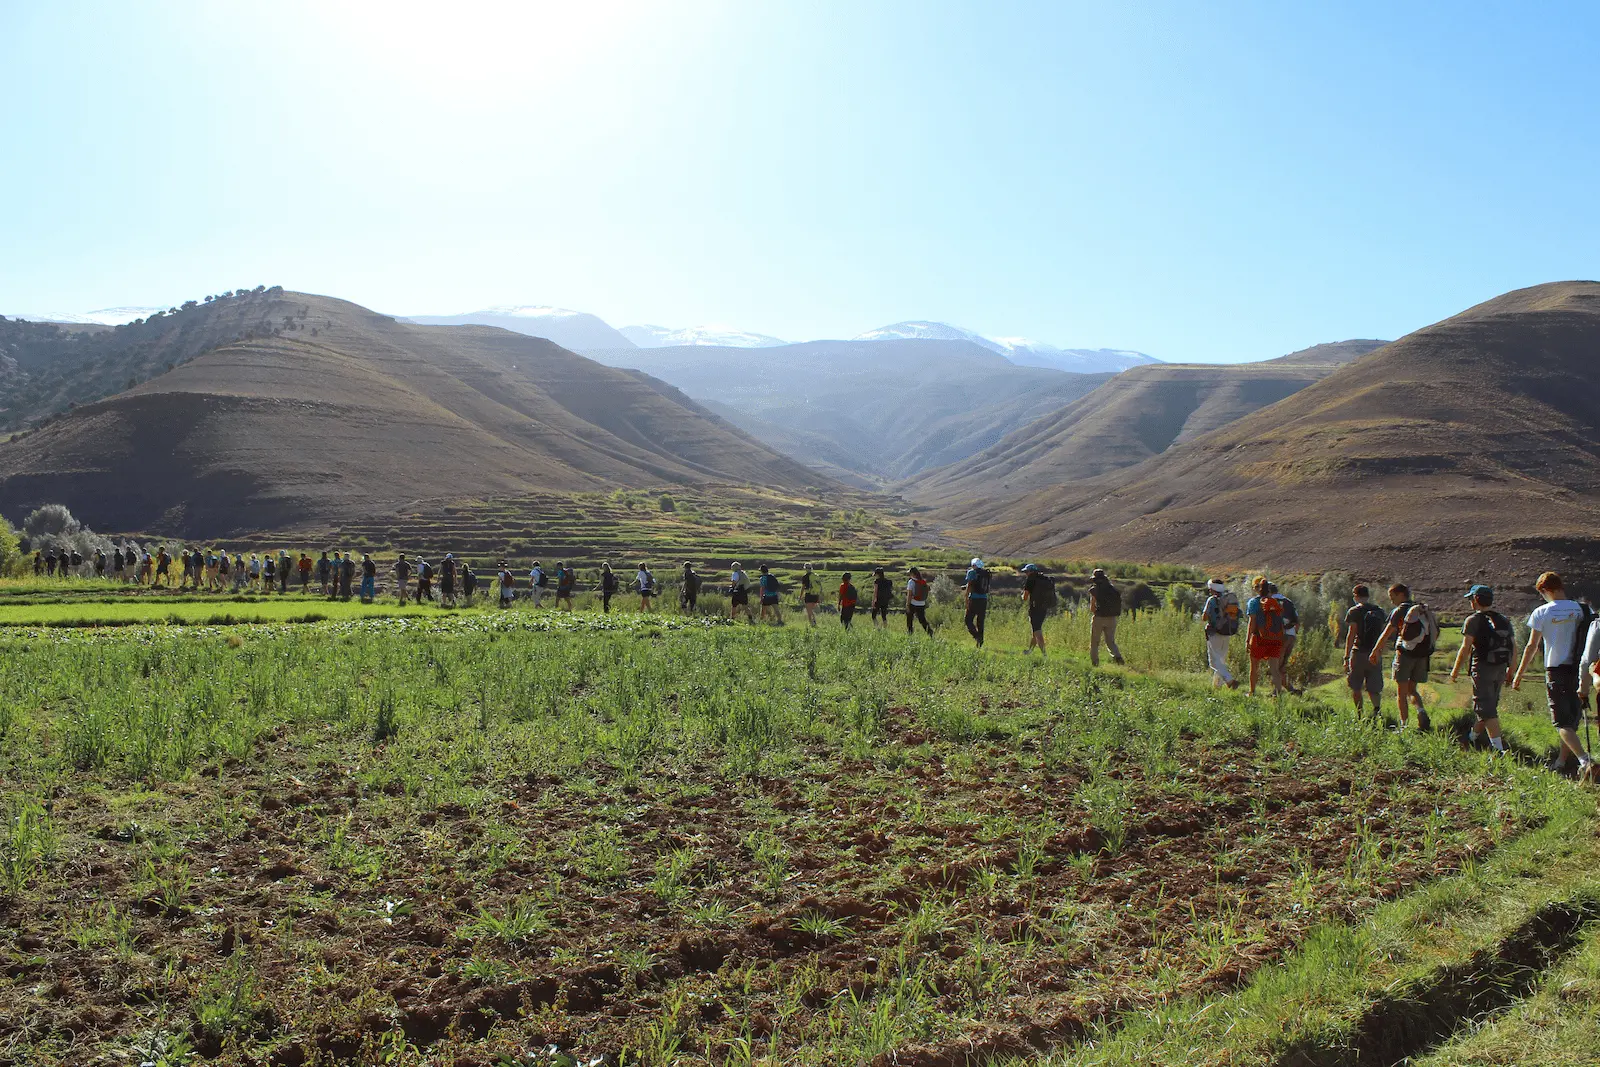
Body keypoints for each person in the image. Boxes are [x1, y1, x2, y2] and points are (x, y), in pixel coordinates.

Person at [1513, 571, 1596, 778]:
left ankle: (1586, 761)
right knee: (1571, 721)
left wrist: (1518, 674)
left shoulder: (1541, 612)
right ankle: (1561, 761)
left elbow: (1531, 646)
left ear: (1544, 590)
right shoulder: (1582, 609)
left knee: (1561, 722)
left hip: (1555, 670)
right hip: (1579, 670)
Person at [1450, 585, 1512, 755]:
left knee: (1486, 708)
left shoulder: (1473, 620)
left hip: (1482, 668)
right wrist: (1511, 672)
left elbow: (1465, 648)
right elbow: (1514, 648)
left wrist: (1455, 671)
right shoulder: (1504, 620)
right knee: (1487, 706)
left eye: (1471, 599)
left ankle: (1499, 750)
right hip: (1500, 668)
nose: (1470, 602)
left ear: (1476, 600)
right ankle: (1472, 738)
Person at [1367, 583, 1434, 730]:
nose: (1391, 601)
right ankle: (1421, 711)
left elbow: (1387, 633)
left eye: (1392, 597)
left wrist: (1376, 650)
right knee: (1412, 689)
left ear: (1400, 595)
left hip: (1404, 654)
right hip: (1422, 655)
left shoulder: (1399, 611)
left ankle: (1403, 726)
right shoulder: (1421, 609)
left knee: (1401, 692)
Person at [1342, 585, 1387, 714]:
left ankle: (1360, 714)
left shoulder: (1354, 611)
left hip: (1359, 653)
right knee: (1374, 687)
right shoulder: (1379, 611)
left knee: (1356, 686)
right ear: (1368, 595)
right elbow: (1383, 634)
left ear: (1355, 596)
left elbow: (1351, 635)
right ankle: (1376, 710)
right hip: (1375, 654)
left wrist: (1346, 657)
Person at [1245, 576, 1285, 696]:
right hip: (1275, 639)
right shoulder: (1275, 603)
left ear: (1256, 589)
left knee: (1254, 667)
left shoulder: (1253, 602)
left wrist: (1247, 640)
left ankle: (1252, 692)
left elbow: (1252, 622)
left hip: (1259, 639)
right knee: (1275, 669)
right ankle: (1278, 694)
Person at [1201, 579, 1240, 688]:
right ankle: (1217, 686)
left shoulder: (1212, 600)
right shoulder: (1228, 599)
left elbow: (1204, 617)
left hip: (1214, 633)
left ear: (1212, 589)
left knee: (1213, 662)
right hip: (1227, 631)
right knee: (1221, 660)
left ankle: (1230, 680)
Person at [1088, 568, 1125, 667]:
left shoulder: (1094, 590)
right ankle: (1118, 657)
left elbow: (1092, 608)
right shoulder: (1112, 589)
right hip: (1112, 618)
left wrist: (1096, 612)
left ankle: (1095, 662)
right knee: (1110, 641)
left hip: (1099, 618)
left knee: (1095, 642)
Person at [1271, 582, 1303, 694]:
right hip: (1291, 635)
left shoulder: (1270, 601)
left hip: (1278, 636)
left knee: (1275, 664)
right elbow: (1297, 621)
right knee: (1282, 665)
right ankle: (1290, 689)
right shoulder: (1288, 601)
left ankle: (1277, 691)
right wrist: (1293, 633)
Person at [1021, 563, 1056, 656]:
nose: (1026, 574)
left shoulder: (1030, 580)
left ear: (1031, 572)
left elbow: (1025, 597)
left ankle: (1044, 654)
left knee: (1037, 630)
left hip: (1034, 608)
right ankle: (1030, 651)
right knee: (1035, 630)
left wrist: (1022, 595)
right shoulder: (1044, 579)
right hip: (1044, 608)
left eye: (1026, 572)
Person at [964, 557, 990, 648]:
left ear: (973, 565)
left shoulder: (971, 572)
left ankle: (976, 636)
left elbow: (970, 585)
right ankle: (980, 642)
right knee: (980, 621)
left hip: (974, 599)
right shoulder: (985, 573)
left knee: (968, 620)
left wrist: (966, 598)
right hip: (983, 599)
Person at [905, 566, 933, 635]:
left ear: (912, 574)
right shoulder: (922, 581)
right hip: (921, 603)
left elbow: (910, 594)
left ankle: (910, 633)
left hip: (913, 603)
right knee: (922, 620)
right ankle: (930, 632)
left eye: (910, 573)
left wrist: (907, 604)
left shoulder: (911, 582)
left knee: (909, 619)